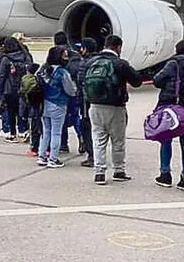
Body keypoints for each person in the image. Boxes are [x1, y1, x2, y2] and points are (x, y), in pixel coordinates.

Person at [84, 35, 142, 185]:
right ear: (118, 47)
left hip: (94, 106)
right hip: (115, 107)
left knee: (98, 140)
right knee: (118, 141)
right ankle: (118, 170)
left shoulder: (91, 62)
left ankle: (99, 172)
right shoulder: (119, 63)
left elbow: (80, 80)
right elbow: (137, 81)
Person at [152, 40, 184, 189]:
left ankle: (165, 174)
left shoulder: (173, 64)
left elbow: (157, 80)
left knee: (166, 139)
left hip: (170, 105)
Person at [36, 46, 77, 168]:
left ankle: (42, 156)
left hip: (44, 104)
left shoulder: (43, 70)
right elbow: (70, 90)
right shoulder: (62, 72)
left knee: (46, 132)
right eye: (64, 55)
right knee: (56, 133)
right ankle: (53, 158)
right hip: (58, 104)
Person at [53, 31, 83, 153]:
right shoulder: (76, 55)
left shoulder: (55, 54)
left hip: (60, 93)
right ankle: (81, 136)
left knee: (61, 120)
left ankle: (63, 144)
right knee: (75, 116)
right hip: (74, 90)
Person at [0, 37, 29, 141]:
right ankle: (23, 130)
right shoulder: (24, 56)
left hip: (9, 89)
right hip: (23, 86)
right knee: (22, 109)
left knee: (10, 111)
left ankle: (11, 132)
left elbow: (1, 76)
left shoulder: (5, 59)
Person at [76, 37, 99, 167]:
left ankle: (92, 155)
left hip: (86, 100)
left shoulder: (84, 63)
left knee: (87, 127)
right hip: (99, 100)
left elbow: (80, 81)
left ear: (85, 49)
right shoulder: (100, 60)